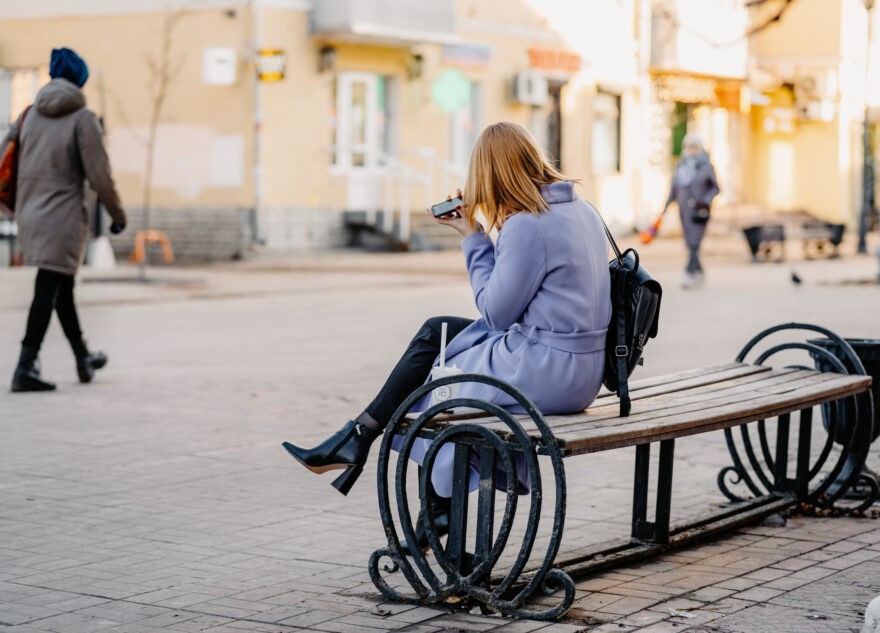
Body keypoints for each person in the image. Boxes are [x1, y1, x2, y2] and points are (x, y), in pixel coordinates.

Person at [281, 122, 611, 549]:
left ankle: (423, 504)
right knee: (435, 335)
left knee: (437, 386)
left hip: (548, 369)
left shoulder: (528, 225)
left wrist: (474, 239)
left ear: (493, 174)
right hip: (582, 369)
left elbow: (494, 313)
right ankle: (361, 443)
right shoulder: (581, 210)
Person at [7, 47, 127, 392]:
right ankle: (25, 366)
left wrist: (18, 205)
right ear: (80, 79)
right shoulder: (82, 118)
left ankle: (82, 356)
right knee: (48, 286)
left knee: (62, 288)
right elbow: (100, 175)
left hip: (29, 214)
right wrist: (117, 215)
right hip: (62, 217)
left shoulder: (28, 114)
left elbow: (5, 159)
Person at [663, 133, 719, 289]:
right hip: (684, 212)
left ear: (700, 148)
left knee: (694, 242)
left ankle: (688, 274)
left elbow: (715, 188)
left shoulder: (706, 166)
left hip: (700, 211)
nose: (691, 150)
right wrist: (665, 207)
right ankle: (699, 272)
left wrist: (705, 199)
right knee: (690, 244)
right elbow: (674, 188)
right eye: (688, 146)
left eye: (694, 147)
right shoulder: (680, 166)